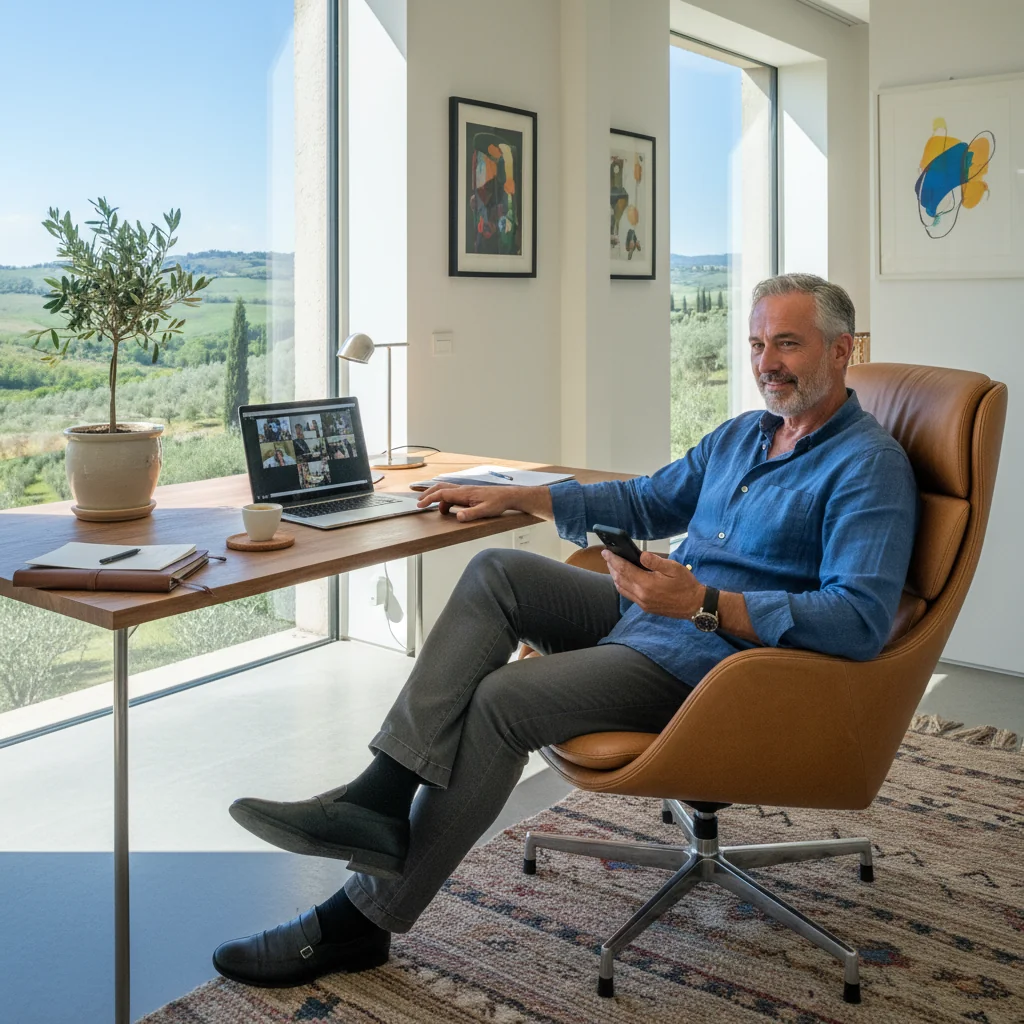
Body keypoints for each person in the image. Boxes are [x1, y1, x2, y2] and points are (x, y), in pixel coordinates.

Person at [212, 273, 918, 987]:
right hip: (655, 614)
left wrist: (707, 603)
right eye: (758, 343)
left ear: (841, 351)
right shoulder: (743, 435)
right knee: (498, 571)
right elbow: (647, 499)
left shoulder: (870, 467)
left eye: (788, 344)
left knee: (500, 701)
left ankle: (356, 924)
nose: (767, 361)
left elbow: (857, 621)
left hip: (719, 669)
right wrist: (517, 496)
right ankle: (382, 792)